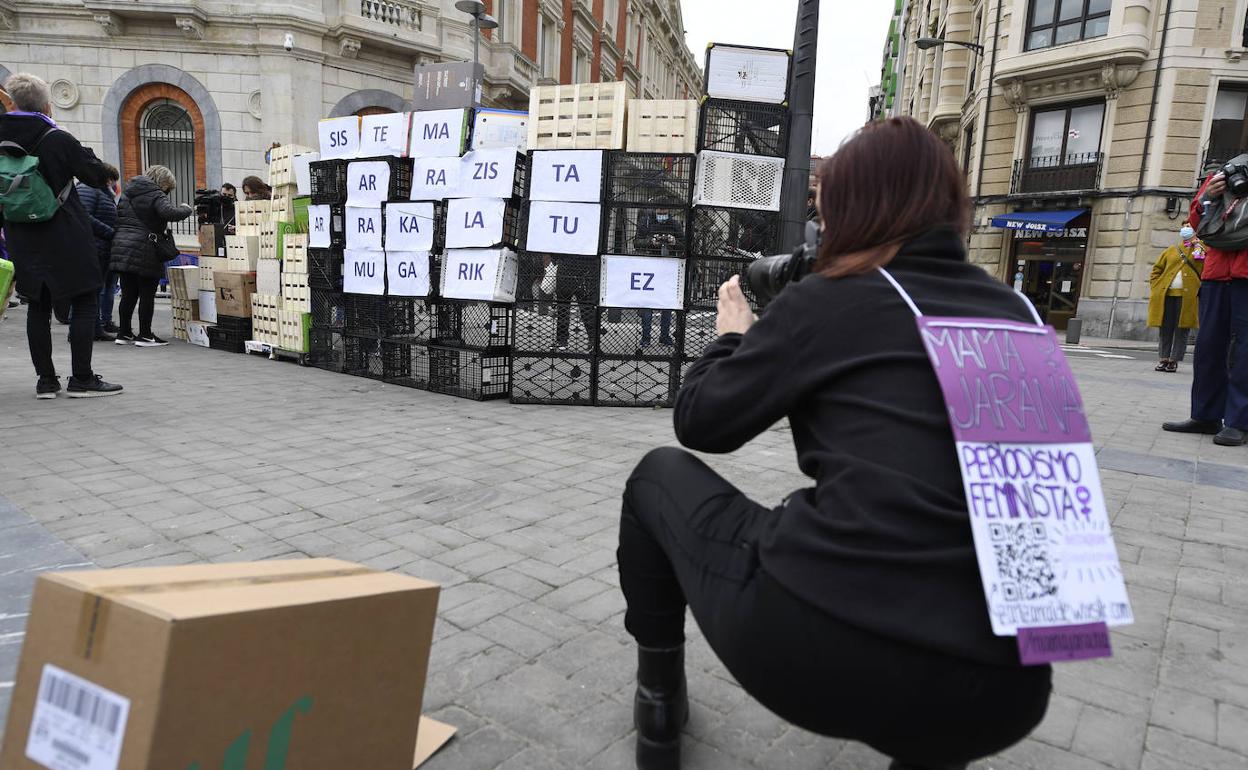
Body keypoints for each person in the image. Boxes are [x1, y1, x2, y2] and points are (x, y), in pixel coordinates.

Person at [616, 118, 1051, 770]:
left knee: (657, 477)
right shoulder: (1021, 316)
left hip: (823, 654)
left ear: (853, 207)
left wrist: (733, 334)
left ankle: (657, 703)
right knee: (947, 655)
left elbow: (701, 424)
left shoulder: (833, 298)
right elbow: (1044, 530)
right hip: (1009, 690)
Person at [0, 73, 123, 398]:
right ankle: (82, 377)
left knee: (36, 306)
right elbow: (97, 176)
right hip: (64, 231)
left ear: (11, 103)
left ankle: (46, 381)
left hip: (21, 234)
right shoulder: (56, 137)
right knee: (84, 299)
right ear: (46, 106)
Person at [1162, 171, 1248, 446]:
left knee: (1245, 352)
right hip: (1215, 274)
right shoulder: (1223, 175)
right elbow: (1196, 225)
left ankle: (1238, 421)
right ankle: (1206, 415)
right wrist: (1208, 197)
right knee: (1208, 347)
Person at [110, 165, 193, 347]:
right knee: (147, 293)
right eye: (168, 188)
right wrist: (186, 209)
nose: (167, 191)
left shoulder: (127, 192)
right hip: (145, 248)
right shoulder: (156, 193)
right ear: (163, 182)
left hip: (122, 247)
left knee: (128, 294)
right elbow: (168, 213)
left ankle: (124, 334)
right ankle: (145, 335)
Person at [1147, 225, 1203, 373]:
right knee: (1165, 327)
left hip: (1188, 297)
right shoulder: (1172, 249)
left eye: (1189, 227)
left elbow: (1205, 267)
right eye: (1184, 227)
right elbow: (1157, 269)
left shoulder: (1202, 249)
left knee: (1182, 329)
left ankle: (1174, 360)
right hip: (1166, 295)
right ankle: (1163, 358)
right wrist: (1156, 286)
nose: (1186, 229)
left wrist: (1198, 245)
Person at [77, 162, 121, 340]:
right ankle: (85, 331)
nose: (113, 184)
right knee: (89, 291)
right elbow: (84, 216)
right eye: (112, 180)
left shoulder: (101, 192)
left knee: (96, 290)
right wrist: (110, 232)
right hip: (94, 246)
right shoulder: (89, 189)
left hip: (101, 247)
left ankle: (95, 329)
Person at [632, 208, 683, 348]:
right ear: (655, 210)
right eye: (660, 213)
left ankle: (664, 336)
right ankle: (646, 337)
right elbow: (636, 243)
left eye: (664, 212)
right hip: (649, 267)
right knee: (648, 303)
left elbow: (684, 244)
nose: (662, 215)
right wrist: (651, 242)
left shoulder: (674, 224)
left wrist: (673, 242)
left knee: (666, 304)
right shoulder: (646, 222)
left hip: (668, 268)